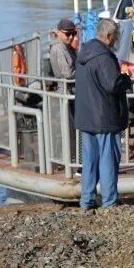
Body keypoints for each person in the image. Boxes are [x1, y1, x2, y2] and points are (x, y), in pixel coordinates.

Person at [75, 18, 132, 210]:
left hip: (86, 116)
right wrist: (125, 78)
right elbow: (112, 85)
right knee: (108, 159)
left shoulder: (84, 53)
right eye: (115, 36)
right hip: (104, 117)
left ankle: (86, 200)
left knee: (89, 161)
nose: (116, 40)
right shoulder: (104, 57)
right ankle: (109, 201)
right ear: (108, 36)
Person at [50, 18, 78, 162]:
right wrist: (83, 72)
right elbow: (67, 73)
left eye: (73, 33)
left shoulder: (67, 47)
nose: (71, 37)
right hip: (66, 93)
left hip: (72, 93)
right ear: (59, 33)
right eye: (67, 34)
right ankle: (71, 159)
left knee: (74, 128)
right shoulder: (58, 48)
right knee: (70, 129)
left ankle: (74, 157)